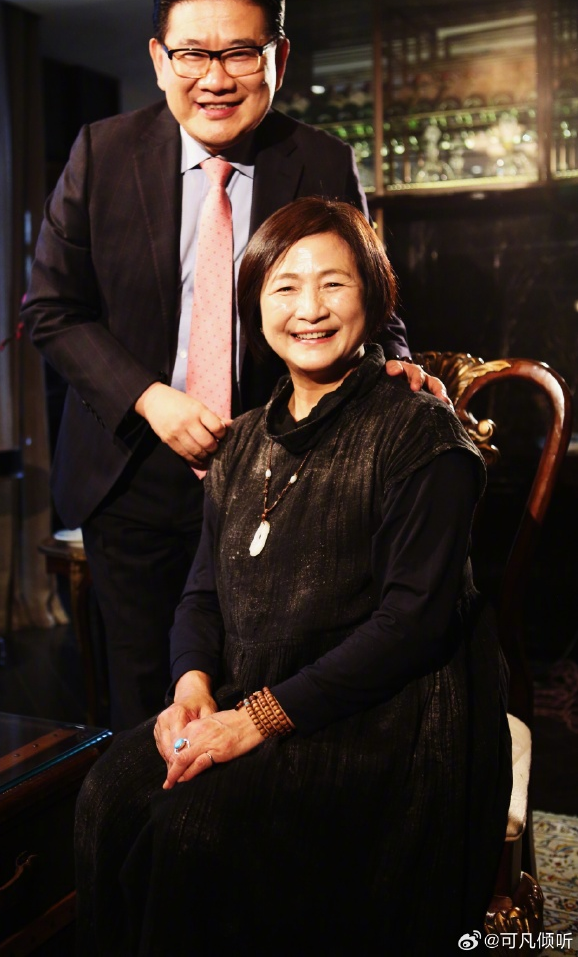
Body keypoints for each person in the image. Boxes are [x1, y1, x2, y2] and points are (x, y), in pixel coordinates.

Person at [21, 0, 448, 732]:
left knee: (261, 692)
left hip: (277, 475)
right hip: (132, 469)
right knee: (146, 707)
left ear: (277, 58)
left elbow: (370, 303)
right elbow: (51, 307)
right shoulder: (101, 155)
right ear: (159, 59)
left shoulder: (320, 160)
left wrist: (398, 367)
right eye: (191, 53)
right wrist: (151, 399)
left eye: (240, 53)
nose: (214, 78)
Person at [74, 198, 511, 957]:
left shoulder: (419, 432)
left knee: (191, 833)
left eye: (334, 284)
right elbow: (201, 593)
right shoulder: (241, 442)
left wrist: (254, 720)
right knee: (104, 793)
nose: (309, 308)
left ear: (375, 297)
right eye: (285, 286)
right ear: (255, 304)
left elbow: (412, 627)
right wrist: (192, 686)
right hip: (256, 696)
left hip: (388, 723)